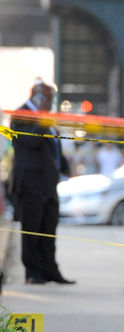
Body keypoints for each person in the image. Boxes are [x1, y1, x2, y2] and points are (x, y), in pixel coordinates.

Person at [9, 81, 75, 285]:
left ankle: (49, 269)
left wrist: (63, 165)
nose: (50, 103)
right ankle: (33, 271)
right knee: (32, 228)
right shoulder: (21, 115)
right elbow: (31, 141)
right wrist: (39, 118)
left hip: (48, 183)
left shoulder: (45, 118)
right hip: (31, 183)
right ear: (36, 97)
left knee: (48, 227)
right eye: (47, 98)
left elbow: (52, 143)